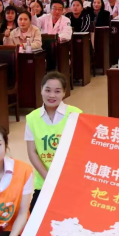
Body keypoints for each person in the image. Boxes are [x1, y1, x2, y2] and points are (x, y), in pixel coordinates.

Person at [24, 72, 82, 211]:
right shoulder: (32, 118)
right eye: (48, 90)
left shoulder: (76, 114)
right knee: (35, 218)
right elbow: (32, 152)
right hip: (44, 182)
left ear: (64, 93)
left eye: (57, 91)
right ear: (41, 90)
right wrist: (48, 178)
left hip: (70, 181)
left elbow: (82, 150)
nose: (51, 95)